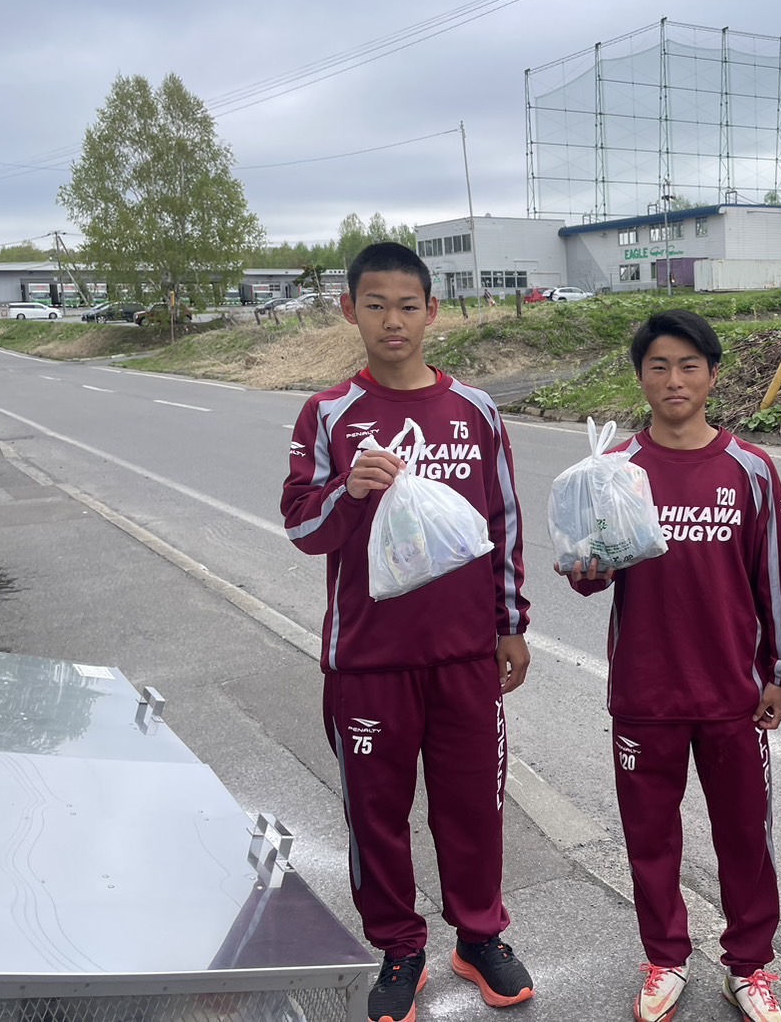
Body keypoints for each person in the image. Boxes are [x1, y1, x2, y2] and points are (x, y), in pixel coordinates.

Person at [281, 242, 535, 1022]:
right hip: (368, 659)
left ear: (432, 312)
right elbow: (302, 527)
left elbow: (502, 522)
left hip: (464, 655)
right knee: (376, 815)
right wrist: (348, 490)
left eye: (407, 306)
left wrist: (510, 624)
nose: (392, 321)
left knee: (472, 808)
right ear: (348, 310)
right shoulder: (328, 413)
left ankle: (479, 935)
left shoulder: (474, 410)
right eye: (375, 305)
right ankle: (398, 945)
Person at [559, 310, 781, 1022]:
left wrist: (780, 673)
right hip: (645, 692)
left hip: (730, 693)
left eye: (689, 366)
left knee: (744, 838)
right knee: (651, 838)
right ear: (640, 377)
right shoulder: (613, 470)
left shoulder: (749, 468)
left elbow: (774, 579)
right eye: (658, 366)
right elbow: (589, 572)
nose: (674, 380)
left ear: (712, 375)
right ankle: (665, 957)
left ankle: (748, 967)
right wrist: (586, 568)